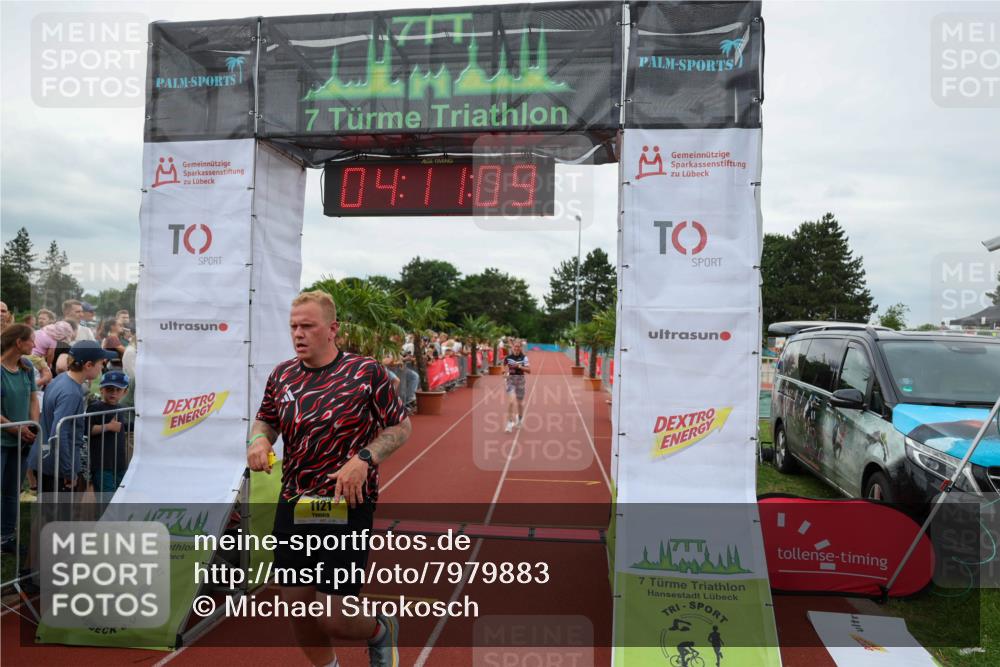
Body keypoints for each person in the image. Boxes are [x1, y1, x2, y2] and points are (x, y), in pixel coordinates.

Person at [246, 291, 411, 667]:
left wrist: (364, 459)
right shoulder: (282, 374)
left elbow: (401, 427)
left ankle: (381, 630)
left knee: (333, 615)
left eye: (308, 326)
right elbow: (267, 419)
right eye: (293, 327)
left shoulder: (366, 373)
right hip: (295, 502)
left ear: (333, 329)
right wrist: (258, 440)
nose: (298, 334)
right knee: (296, 607)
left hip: (346, 503)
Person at [29, 340, 116, 495]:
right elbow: (60, 432)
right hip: (56, 466)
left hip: (47, 461)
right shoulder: (71, 392)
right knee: (58, 516)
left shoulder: (59, 380)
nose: (102, 367)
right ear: (88, 365)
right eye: (101, 363)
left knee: (47, 514)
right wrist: (68, 471)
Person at [1, 324, 39, 553]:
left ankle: (6, 537)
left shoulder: (27, 368)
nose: (35, 345)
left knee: (11, 491)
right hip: (4, 442)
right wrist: (17, 429)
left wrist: (32, 426)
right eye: (31, 340)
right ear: (19, 342)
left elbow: (34, 399)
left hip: (21, 441)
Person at [87, 370, 132, 498]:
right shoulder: (95, 407)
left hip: (119, 464)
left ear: (125, 392)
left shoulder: (121, 408)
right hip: (102, 465)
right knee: (107, 502)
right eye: (109, 389)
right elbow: (86, 429)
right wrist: (107, 427)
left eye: (118, 390)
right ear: (101, 389)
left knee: (120, 498)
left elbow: (123, 427)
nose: (113, 393)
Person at [503, 339, 530, 432]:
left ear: (520, 348)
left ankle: (520, 418)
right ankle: (509, 423)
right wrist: (504, 373)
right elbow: (503, 367)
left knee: (520, 403)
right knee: (511, 402)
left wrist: (519, 367)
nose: (517, 348)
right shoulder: (508, 358)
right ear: (513, 347)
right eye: (515, 346)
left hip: (520, 381)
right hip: (511, 380)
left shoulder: (524, 358)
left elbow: (529, 370)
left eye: (518, 347)